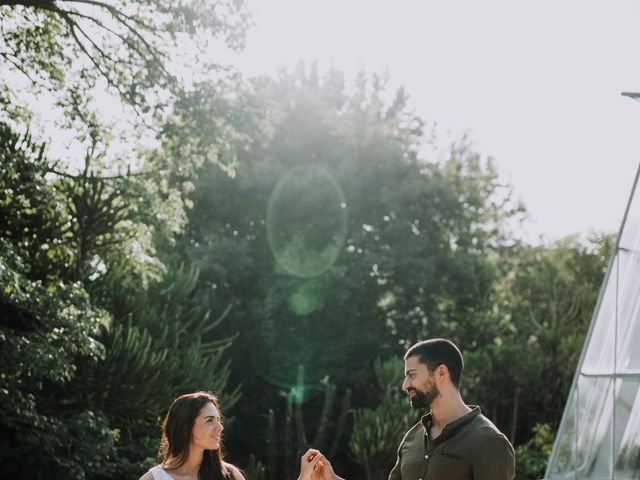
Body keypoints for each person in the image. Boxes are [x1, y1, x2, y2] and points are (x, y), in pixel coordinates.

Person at [299, 338, 515, 480]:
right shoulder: (413, 438)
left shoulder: (489, 442)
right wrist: (331, 479)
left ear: (441, 373)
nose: (405, 385)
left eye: (412, 375)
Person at [140, 391, 245, 480]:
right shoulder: (153, 478)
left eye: (218, 419)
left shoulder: (230, 475)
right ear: (186, 427)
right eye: (209, 420)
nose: (220, 427)